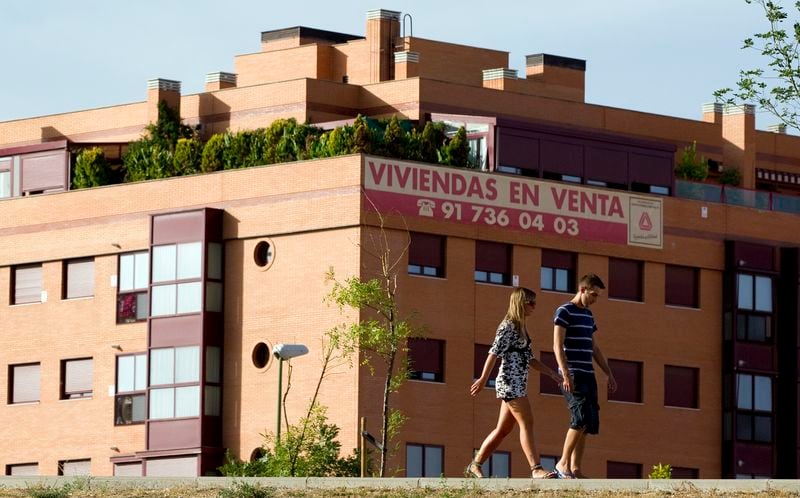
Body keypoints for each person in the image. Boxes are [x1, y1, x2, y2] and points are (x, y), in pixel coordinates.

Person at [467, 287, 562, 479]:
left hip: (517, 383)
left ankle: (475, 464)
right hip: (511, 383)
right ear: (521, 303)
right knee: (527, 422)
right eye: (531, 303)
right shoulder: (508, 326)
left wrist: (551, 373)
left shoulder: (521, 327)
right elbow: (493, 353)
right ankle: (536, 469)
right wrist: (483, 379)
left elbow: (530, 359)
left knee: (503, 429)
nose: (534, 307)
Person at [552, 273, 617, 479]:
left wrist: (609, 373)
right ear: (582, 290)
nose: (595, 299)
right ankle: (562, 464)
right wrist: (565, 373)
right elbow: (557, 345)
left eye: (597, 296)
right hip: (572, 374)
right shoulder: (564, 311)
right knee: (578, 418)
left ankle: (575, 468)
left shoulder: (588, 315)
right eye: (593, 294)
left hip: (588, 374)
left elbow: (594, 347)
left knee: (588, 423)